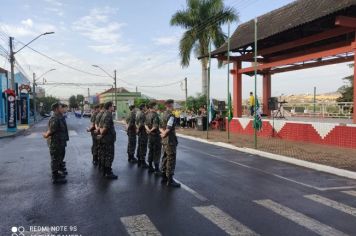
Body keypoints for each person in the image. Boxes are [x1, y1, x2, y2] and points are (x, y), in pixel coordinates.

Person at [43, 103, 68, 184]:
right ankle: (55, 177)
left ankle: (57, 173)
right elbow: (51, 130)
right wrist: (46, 135)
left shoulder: (59, 117)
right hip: (55, 143)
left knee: (58, 158)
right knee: (55, 159)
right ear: (56, 109)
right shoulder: (55, 118)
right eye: (61, 107)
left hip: (60, 142)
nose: (62, 109)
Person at [160, 99, 180, 188]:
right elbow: (169, 127)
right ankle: (170, 180)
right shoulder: (171, 115)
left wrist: (162, 133)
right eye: (173, 104)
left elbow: (160, 127)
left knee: (164, 157)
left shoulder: (163, 114)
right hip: (170, 140)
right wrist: (165, 133)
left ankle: (164, 176)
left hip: (164, 140)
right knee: (171, 159)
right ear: (171, 105)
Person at [98, 101, 118, 179]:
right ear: (110, 107)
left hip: (105, 139)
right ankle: (108, 172)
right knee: (109, 156)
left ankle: (105, 170)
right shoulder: (108, 115)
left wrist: (101, 134)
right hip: (108, 139)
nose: (113, 107)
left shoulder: (103, 114)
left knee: (104, 154)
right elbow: (105, 127)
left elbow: (100, 126)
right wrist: (101, 134)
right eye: (113, 106)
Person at [145, 101, 162, 174]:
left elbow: (145, 124)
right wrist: (151, 130)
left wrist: (148, 130)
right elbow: (155, 126)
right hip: (156, 136)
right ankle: (157, 169)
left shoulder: (148, 114)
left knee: (151, 151)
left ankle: (150, 167)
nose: (157, 107)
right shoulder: (155, 115)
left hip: (150, 136)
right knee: (156, 152)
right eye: (156, 106)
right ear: (153, 106)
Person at [136, 103, 149, 168]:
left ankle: (139, 160)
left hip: (140, 133)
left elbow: (137, 123)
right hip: (143, 132)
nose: (146, 107)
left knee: (140, 146)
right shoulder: (142, 114)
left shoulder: (138, 113)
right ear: (143, 107)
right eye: (145, 106)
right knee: (143, 147)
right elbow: (141, 124)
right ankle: (142, 161)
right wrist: (139, 130)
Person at [95, 104, 105, 170]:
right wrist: (100, 131)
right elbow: (100, 125)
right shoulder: (102, 115)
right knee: (102, 150)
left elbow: (96, 124)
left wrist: (97, 130)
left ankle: (100, 164)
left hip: (99, 133)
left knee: (100, 149)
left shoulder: (99, 114)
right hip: (102, 135)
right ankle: (102, 165)